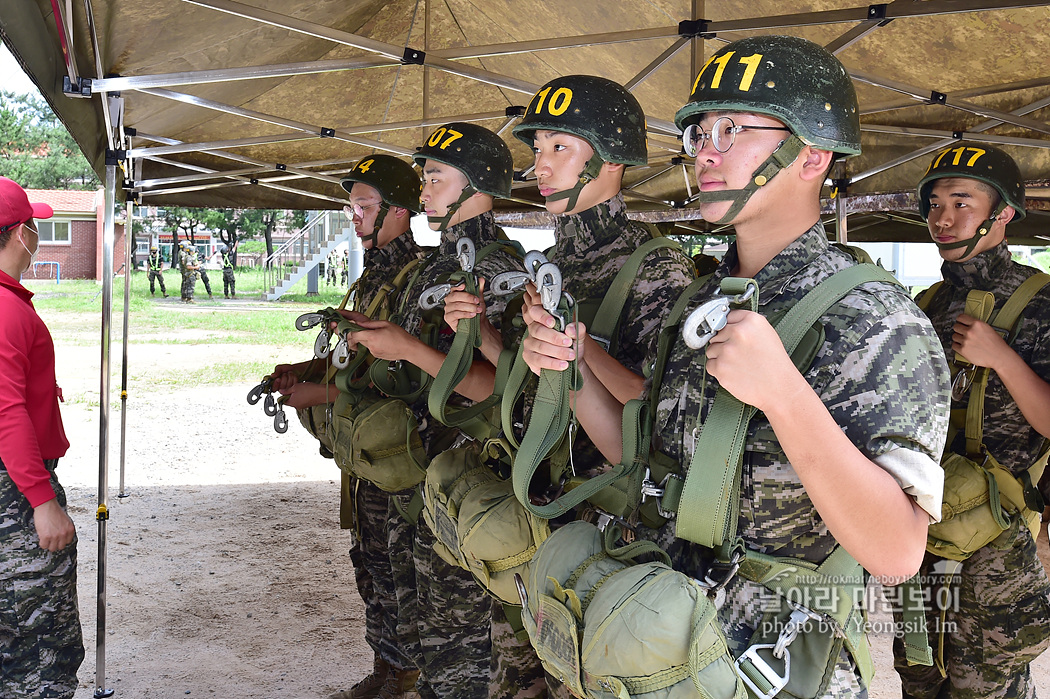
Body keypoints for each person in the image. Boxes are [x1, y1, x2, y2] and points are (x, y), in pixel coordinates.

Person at [521, 37, 950, 698]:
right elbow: (639, 460)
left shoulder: (876, 322)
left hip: (774, 674)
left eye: (733, 129)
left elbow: (897, 551)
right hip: (665, 653)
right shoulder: (700, 304)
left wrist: (782, 392)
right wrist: (570, 366)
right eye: (700, 132)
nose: (707, 149)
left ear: (813, 153)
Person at [442, 77, 695, 699]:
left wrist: (582, 349)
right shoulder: (554, 263)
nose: (540, 166)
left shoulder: (657, 267)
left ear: (608, 160)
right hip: (545, 509)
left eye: (560, 148)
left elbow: (660, 411)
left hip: (609, 524)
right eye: (538, 149)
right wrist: (482, 337)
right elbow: (530, 387)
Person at [334, 124, 527, 699]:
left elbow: (505, 391)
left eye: (436, 176)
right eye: (424, 177)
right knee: (422, 626)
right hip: (425, 471)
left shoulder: (499, 264)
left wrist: (406, 347)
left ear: (478, 182)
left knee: (464, 642)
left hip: (474, 479)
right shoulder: (438, 266)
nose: (424, 189)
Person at [893, 143, 1050, 698]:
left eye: (962, 202)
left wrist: (1002, 358)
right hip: (921, 527)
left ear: (1003, 212)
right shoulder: (928, 301)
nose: (942, 217)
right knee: (919, 672)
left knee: (985, 683)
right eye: (935, 203)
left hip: (998, 537)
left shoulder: (1040, 303)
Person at [275, 154, 425, 699]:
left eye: (364, 205)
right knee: (370, 560)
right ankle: (387, 667)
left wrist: (326, 393)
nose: (353, 216)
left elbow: (409, 379)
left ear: (399, 210)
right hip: (366, 455)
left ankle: (406, 671)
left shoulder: (418, 280)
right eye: (351, 205)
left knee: (400, 567)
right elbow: (353, 360)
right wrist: (307, 373)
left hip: (399, 455)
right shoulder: (372, 281)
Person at [0, 176, 84, 699]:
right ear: (19, 234)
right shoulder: (7, 311)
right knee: (37, 641)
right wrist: (41, 500)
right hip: (14, 488)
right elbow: (5, 412)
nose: (38, 236)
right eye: (35, 227)